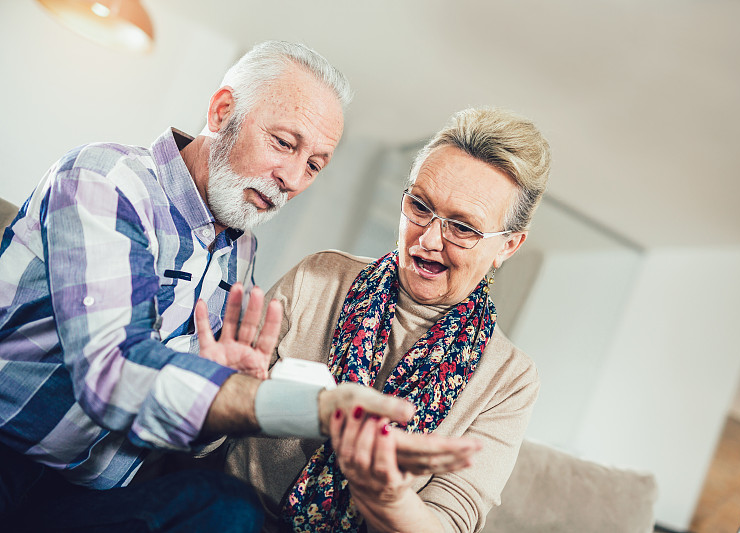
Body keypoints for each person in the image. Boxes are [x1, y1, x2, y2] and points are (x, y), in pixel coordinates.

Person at [0, 41, 474, 532]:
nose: (292, 178)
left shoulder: (240, 252)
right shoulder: (107, 180)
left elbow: (189, 437)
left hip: (94, 493)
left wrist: (224, 389)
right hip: (11, 452)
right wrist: (292, 406)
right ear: (223, 111)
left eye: (314, 164)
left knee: (231, 507)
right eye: (285, 143)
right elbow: (113, 370)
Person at [224, 107, 551, 532]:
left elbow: (450, 523)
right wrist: (224, 394)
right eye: (419, 205)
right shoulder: (318, 277)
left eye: (463, 228)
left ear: (508, 246)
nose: (428, 239)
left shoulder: (510, 379)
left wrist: (387, 498)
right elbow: (202, 440)